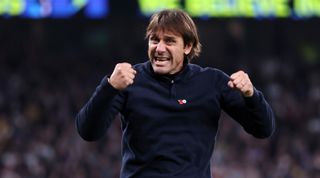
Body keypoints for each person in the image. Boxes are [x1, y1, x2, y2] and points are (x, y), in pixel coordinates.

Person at [76, 9, 275, 178]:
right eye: (154, 40)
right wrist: (109, 87)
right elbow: (88, 132)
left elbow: (263, 129)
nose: (159, 48)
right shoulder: (129, 80)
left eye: (169, 41)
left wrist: (251, 95)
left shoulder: (212, 82)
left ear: (187, 46)